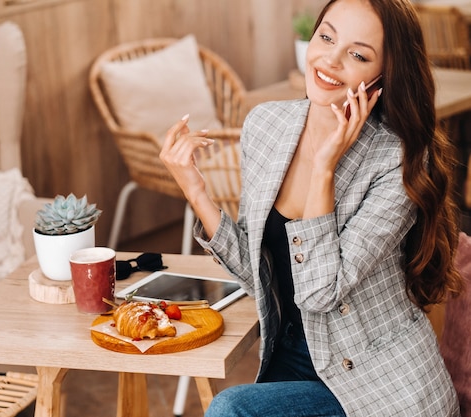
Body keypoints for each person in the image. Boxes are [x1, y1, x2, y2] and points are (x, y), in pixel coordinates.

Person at [159, 0, 465, 415]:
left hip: (380, 385)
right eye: (326, 36)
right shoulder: (266, 125)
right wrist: (196, 191)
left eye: (358, 54)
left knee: (230, 409)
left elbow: (320, 292)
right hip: (292, 360)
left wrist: (324, 167)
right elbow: (260, 274)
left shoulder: (398, 159)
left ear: (382, 76)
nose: (330, 60)